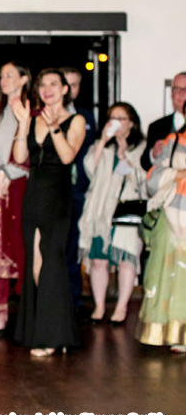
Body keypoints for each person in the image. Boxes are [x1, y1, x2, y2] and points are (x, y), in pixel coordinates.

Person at [12, 68, 86, 356]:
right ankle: (44, 331)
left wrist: (55, 127)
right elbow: (20, 158)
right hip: (34, 194)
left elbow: (68, 156)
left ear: (65, 89)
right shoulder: (32, 119)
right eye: (43, 85)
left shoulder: (75, 120)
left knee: (51, 262)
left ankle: (53, 336)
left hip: (57, 194)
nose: (47, 89)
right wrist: (21, 124)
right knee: (34, 263)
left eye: (54, 84)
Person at [78, 103, 146, 326]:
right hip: (99, 213)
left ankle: (121, 307)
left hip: (125, 213)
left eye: (121, 118)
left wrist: (123, 154)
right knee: (98, 262)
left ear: (131, 123)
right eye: (112, 118)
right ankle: (99, 306)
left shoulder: (141, 148)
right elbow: (89, 170)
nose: (116, 122)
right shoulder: (101, 145)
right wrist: (103, 143)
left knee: (126, 261)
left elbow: (140, 181)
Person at [0, 61, 31, 333]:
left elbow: (31, 150)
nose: (3, 80)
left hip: (23, 184)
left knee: (22, 245)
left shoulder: (34, 111)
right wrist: (0, 173)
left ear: (24, 79)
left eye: (9, 75)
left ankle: (27, 311)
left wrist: (9, 173)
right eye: (1, 75)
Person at [139, 121, 186, 352]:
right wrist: (178, 173)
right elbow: (153, 178)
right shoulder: (173, 140)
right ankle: (173, 332)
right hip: (173, 212)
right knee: (171, 273)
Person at [61, 66, 97, 313]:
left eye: (76, 85)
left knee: (73, 246)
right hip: (53, 189)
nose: (71, 89)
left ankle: (74, 301)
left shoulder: (87, 116)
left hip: (79, 190)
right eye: (67, 84)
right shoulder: (46, 116)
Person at [142, 72, 186, 171]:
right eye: (177, 89)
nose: (181, 93)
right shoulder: (156, 126)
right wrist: (153, 153)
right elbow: (145, 164)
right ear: (172, 94)